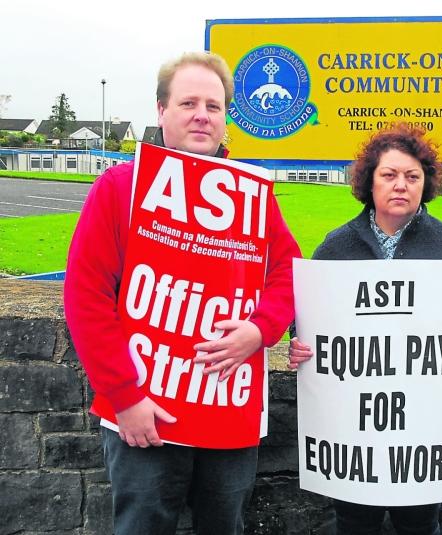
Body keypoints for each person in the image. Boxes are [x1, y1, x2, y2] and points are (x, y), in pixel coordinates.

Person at [63, 51, 301, 535]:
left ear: (226, 118)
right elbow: (85, 297)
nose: (201, 115)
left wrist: (261, 329)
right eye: (188, 102)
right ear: (161, 111)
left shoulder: (253, 196)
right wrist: (125, 396)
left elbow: (289, 273)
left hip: (229, 416)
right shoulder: (119, 187)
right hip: (144, 414)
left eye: (213, 106)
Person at [287, 123, 442, 535]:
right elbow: (306, 319)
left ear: (425, 183)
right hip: (352, 431)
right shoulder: (335, 248)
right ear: (368, 181)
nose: (401, 185)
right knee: (354, 522)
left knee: (422, 523)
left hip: (424, 431)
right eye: (389, 175)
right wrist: (299, 344)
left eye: (412, 177)